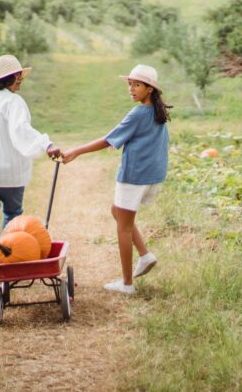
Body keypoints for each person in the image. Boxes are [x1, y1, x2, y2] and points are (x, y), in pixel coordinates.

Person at [63, 64, 170, 295]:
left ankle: (127, 284)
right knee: (117, 211)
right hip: (151, 176)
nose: (131, 88)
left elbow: (109, 140)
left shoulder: (138, 113)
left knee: (123, 227)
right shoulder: (157, 111)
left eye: (137, 85)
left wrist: (76, 151)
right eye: (130, 84)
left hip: (134, 176)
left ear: (150, 89)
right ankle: (145, 255)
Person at [0, 54, 60, 285]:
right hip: (8, 172)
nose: (20, 79)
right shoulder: (13, 102)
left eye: (20, 75)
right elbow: (21, 130)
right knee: (13, 215)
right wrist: (47, 144)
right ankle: (9, 265)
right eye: (16, 76)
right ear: (7, 79)